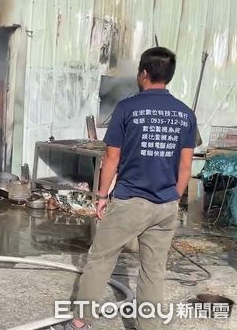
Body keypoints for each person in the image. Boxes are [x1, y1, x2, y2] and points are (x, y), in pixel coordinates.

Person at [59, 47, 196, 330]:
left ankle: (79, 323)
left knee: (100, 261)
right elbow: (185, 166)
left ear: (143, 74)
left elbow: (111, 159)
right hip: (166, 205)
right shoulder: (185, 114)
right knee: (153, 271)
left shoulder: (128, 108)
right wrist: (174, 199)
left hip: (130, 201)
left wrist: (101, 196)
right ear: (168, 77)